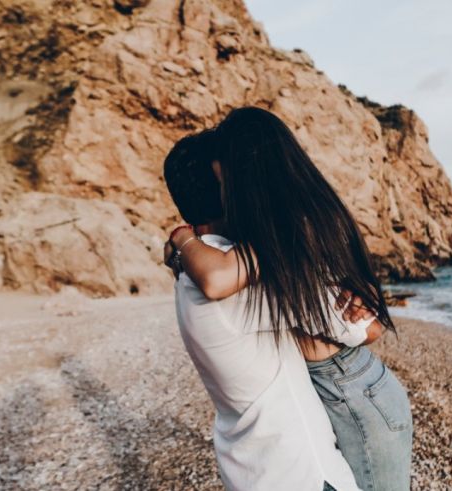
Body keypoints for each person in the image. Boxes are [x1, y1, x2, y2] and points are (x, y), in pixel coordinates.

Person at [166, 107, 413, 491]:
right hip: (303, 471)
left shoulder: (189, 271)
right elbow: (364, 327)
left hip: (250, 466)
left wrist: (182, 240)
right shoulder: (238, 278)